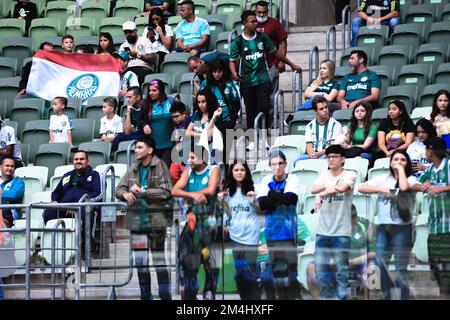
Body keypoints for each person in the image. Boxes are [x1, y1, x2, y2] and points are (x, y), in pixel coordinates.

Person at [116, 136, 173, 300]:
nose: (136, 150)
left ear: (150, 150)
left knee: (158, 262)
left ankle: (165, 296)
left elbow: (166, 190)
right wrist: (125, 193)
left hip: (156, 220)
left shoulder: (160, 165)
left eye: (140, 147)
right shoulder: (133, 167)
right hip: (137, 221)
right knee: (141, 263)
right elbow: (118, 188)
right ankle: (145, 297)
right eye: (136, 148)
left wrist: (144, 192)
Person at [229, 10, 302, 130]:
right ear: (244, 23)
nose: (255, 24)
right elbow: (232, 60)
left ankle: (264, 133)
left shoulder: (263, 37)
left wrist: (291, 64)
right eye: (252, 22)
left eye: (255, 21)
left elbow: (275, 53)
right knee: (250, 110)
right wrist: (233, 72)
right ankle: (252, 137)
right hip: (247, 81)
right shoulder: (238, 41)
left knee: (264, 107)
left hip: (263, 78)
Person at [359, 149, 417, 300]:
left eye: (402, 160)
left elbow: (404, 188)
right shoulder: (383, 178)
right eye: (396, 159)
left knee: (400, 266)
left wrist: (400, 171)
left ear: (407, 163)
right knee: (378, 261)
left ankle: (402, 295)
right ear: (390, 162)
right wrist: (380, 189)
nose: (399, 162)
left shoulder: (411, 179)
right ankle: (389, 291)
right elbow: (361, 187)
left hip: (402, 227)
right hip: (384, 227)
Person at [171, 146, 222, 300]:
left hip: (210, 224)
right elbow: (175, 190)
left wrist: (192, 194)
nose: (188, 161)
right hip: (192, 223)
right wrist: (193, 194)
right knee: (187, 265)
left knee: (211, 270)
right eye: (188, 157)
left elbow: (212, 189)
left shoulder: (214, 170)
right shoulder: (188, 171)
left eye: (192, 158)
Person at [311, 144, 356, 300]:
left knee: (341, 271)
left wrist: (326, 191)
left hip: (342, 231)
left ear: (343, 159)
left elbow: (343, 187)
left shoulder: (350, 174)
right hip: (323, 231)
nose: (330, 159)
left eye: (334, 156)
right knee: (320, 270)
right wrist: (321, 193)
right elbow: (313, 189)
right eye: (328, 156)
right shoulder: (324, 174)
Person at [256, 150, 302, 300]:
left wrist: (272, 195)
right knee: (277, 272)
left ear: (286, 164)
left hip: (288, 233)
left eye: (280, 163)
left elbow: (290, 199)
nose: (277, 167)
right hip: (272, 233)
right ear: (270, 166)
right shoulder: (265, 181)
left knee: (290, 273)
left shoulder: (293, 178)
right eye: (274, 164)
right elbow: (263, 204)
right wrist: (280, 196)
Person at [306, 206, 375, 300]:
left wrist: (353, 261)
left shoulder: (366, 226)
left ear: (355, 218)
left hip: (358, 265)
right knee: (311, 268)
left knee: (372, 269)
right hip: (334, 266)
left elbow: (374, 252)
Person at [42, 151, 102, 253]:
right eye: (76, 159)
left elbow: (97, 194)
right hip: (65, 207)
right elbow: (57, 192)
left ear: (87, 161)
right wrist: (55, 201)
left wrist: (78, 206)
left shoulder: (94, 175)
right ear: (73, 162)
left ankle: (86, 246)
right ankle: (55, 245)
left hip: (83, 207)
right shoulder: (67, 176)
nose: (78, 161)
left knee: (86, 213)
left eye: (81, 159)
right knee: (48, 213)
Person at [413, 137, 450, 299]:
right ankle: (444, 292)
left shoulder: (449, 166)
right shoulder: (430, 170)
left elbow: (441, 188)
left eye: (426, 150)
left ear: (431, 151)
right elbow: (415, 183)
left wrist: (440, 189)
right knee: (435, 263)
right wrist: (423, 186)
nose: (425, 153)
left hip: (448, 225)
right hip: (434, 224)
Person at [219, 161, 261, 300]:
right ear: (231, 172)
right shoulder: (228, 192)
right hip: (235, 237)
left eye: (242, 169)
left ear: (246, 172)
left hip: (251, 237)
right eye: (236, 170)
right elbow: (228, 213)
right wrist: (221, 202)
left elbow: (261, 211)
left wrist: (253, 201)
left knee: (250, 274)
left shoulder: (255, 189)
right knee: (241, 275)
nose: (239, 172)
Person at [255, 0, 288, 118]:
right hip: (255, 67)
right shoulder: (251, 23)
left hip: (271, 64)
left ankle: (272, 120)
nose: (261, 15)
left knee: (272, 95)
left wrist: (282, 61)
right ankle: (260, 121)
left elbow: (282, 42)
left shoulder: (275, 23)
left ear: (268, 11)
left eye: (264, 12)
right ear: (255, 11)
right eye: (259, 12)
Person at [293, 96, 342, 165]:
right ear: (316, 111)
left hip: (328, 155)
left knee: (320, 162)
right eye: (321, 109)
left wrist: (317, 154)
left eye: (326, 107)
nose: (325, 110)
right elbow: (309, 146)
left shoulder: (335, 125)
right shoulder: (310, 126)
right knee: (296, 162)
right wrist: (313, 155)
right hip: (313, 155)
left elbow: (332, 147)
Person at [200, 59, 241, 131]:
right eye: (214, 72)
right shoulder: (205, 84)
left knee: (228, 142)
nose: (217, 74)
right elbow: (199, 102)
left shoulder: (229, 83)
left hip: (227, 121)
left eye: (219, 71)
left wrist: (232, 120)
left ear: (223, 71)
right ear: (211, 72)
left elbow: (236, 102)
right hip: (210, 122)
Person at [145, 79, 175, 167]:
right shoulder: (147, 104)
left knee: (165, 170)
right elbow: (140, 119)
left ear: (161, 91)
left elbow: (180, 116)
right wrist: (144, 125)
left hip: (169, 144)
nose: (151, 93)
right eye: (149, 91)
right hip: (153, 146)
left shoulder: (170, 102)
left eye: (154, 90)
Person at [0, 157, 25, 228]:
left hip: (9, 213)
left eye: (12, 166)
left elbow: (14, 195)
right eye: (7, 166)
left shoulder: (18, 182)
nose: (10, 168)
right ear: (1, 167)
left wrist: (1, 193)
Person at [169, 100, 190, 185]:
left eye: (176, 116)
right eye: (173, 117)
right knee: (172, 174)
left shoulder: (192, 122)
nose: (174, 119)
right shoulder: (176, 126)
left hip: (191, 159)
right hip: (179, 158)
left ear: (184, 114)